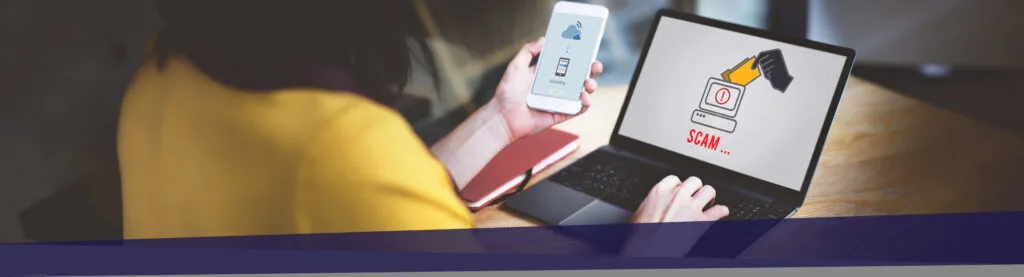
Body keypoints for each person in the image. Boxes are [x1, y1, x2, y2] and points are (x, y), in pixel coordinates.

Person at [118, 1, 728, 240]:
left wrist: (500, 121)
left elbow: (367, 213)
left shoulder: (167, 68)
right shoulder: (343, 152)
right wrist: (650, 250)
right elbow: (358, 185)